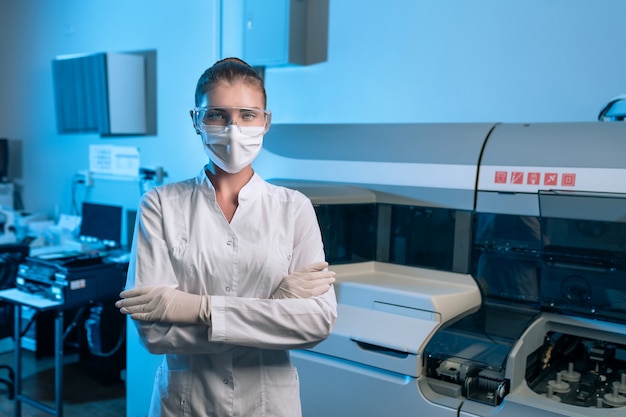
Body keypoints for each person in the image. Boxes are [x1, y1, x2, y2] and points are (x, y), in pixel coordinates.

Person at [115, 57, 337, 417]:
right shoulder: (159, 204)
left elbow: (315, 323)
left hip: (268, 405)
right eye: (217, 115)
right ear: (196, 121)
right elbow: (155, 336)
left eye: (248, 115)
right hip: (187, 404)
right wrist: (274, 305)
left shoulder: (294, 207)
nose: (233, 129)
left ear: (266, 122)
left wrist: (198, 309)